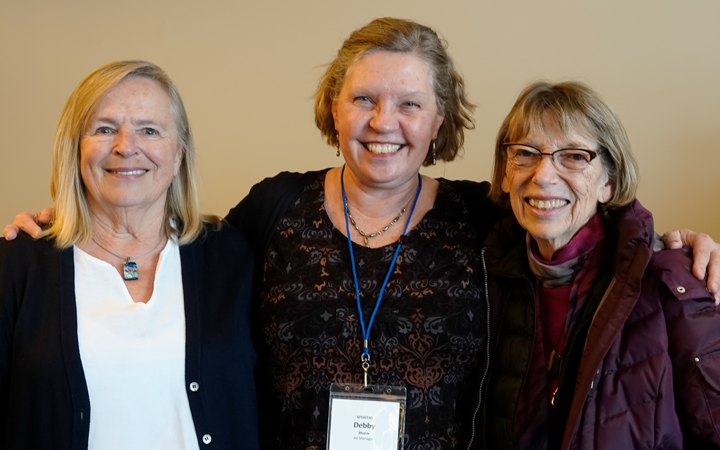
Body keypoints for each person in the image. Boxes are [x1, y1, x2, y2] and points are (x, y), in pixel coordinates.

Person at [4, 19, 720, 450]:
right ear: (334, 110)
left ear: (440, 121)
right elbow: (157, 229)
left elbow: (570, 223)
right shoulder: (274, 212)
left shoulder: (485, 220)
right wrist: (58, 226)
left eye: (410, 103)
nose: (385, 123)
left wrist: (670, 251)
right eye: (364, 100)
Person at [0, 61, 258, 449]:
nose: (125, 146)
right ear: (76, 151)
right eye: (104, 129)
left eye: (149, 130)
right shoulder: (17, 266)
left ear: (178, 156)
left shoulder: (230, 256)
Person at [475, 81, 720, 450]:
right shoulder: (481, 275)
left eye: (573, 156)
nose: (543, 175)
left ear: (610, 181)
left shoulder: (675, 282)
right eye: (525, 153)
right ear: (506, 174)